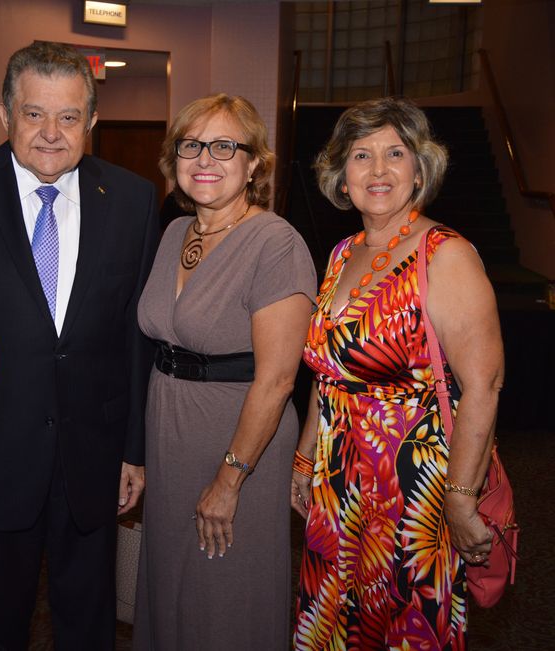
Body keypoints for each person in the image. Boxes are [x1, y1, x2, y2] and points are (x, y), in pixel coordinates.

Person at [0, 41, 158, 650]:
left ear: (91, 121)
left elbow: (135, 335)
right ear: (6, 114)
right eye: (34, 113)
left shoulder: (134, 199)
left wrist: (133, 450)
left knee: (89, 622)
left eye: (69, 117)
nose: (51, 133)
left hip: (93, 455)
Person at [291, 96, 504, 649]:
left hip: (413, 490)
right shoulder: (341, 254)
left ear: (419, 168)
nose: (379, 170)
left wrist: (460, 497)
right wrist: (305, 454)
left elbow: (484, 384)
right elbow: (328, 371)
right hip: (338, 484)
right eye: (361, 156)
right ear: (341, 176)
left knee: (404, 627)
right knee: (336, 623)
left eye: (395, 153)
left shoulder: (444, 253)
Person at [132, 94, 316, 650]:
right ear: (174, 159)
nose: (205, 158)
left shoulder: (276, 243)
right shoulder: (174, 234)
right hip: (170, 433)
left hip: (237, 442)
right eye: (192, 145)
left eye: (224, 146)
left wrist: (230, 479)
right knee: (173, 585)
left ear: (253, 163)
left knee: (226, 591)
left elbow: (279, 379)